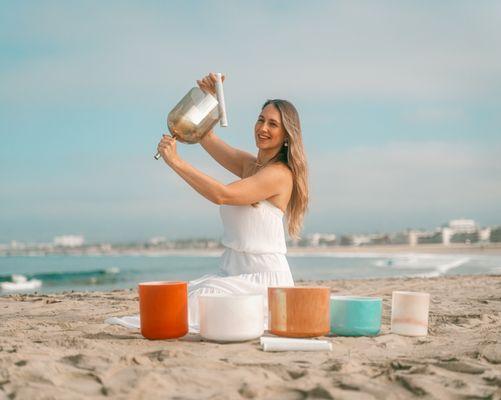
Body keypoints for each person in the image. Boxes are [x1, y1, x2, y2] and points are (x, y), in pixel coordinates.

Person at [107, 73, 308, 332]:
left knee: (184, 312)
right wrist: (210, 99)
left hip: (262, 281)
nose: (263, 128)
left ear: (286, 135)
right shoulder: (251, 165)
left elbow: (222, 194)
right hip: (232, 273)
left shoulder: (279, 175)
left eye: (273, 124)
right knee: (179, 300)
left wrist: (176, 162)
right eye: (260, 120)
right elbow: (205, 137)